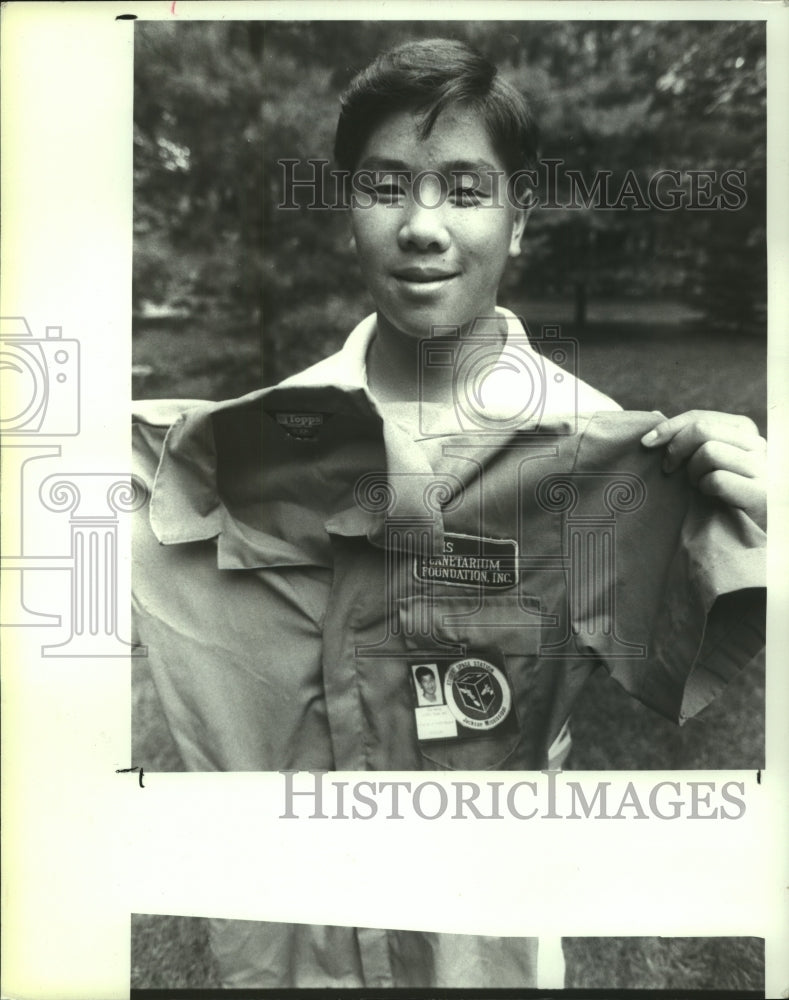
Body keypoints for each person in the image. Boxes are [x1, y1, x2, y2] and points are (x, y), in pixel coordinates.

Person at [132, 37, 766, 989]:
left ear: (519, 222)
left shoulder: (608, 461)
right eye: (386, 185)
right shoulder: (236, 453)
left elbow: (709, 682)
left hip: (488, 940)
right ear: (347, 210)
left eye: (465, 189)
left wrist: (763, 525)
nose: (422, 226)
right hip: (290, 945)